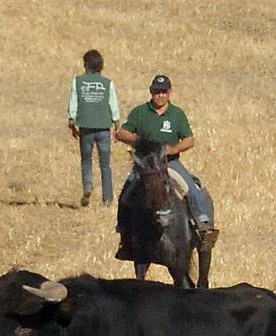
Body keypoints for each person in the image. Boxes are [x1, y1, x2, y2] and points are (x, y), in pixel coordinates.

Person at [115, 74, 214, 231]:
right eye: (157, 92)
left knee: (191, 188)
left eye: (164, 92)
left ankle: (202, 224)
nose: (160, 96)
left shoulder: (177, 114)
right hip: (146, 164)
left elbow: (189, 139)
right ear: (151, 92)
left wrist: (174, 149)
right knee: (126, 193)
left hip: (170, 162)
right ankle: (123, 229)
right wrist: (141, 142)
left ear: (170, 93)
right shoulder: (140, 112)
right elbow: (121, 133)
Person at [68, 50, 120, 207]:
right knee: (105, 164)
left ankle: (88, 186)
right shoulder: (107, 83)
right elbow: (113, 105)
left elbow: (73, 104)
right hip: (104, 127)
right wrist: (117, 125)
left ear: (85, 65)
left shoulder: (77, 82)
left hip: (86, 127)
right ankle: (108, 198)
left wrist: (72, 122)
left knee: (86, 160)